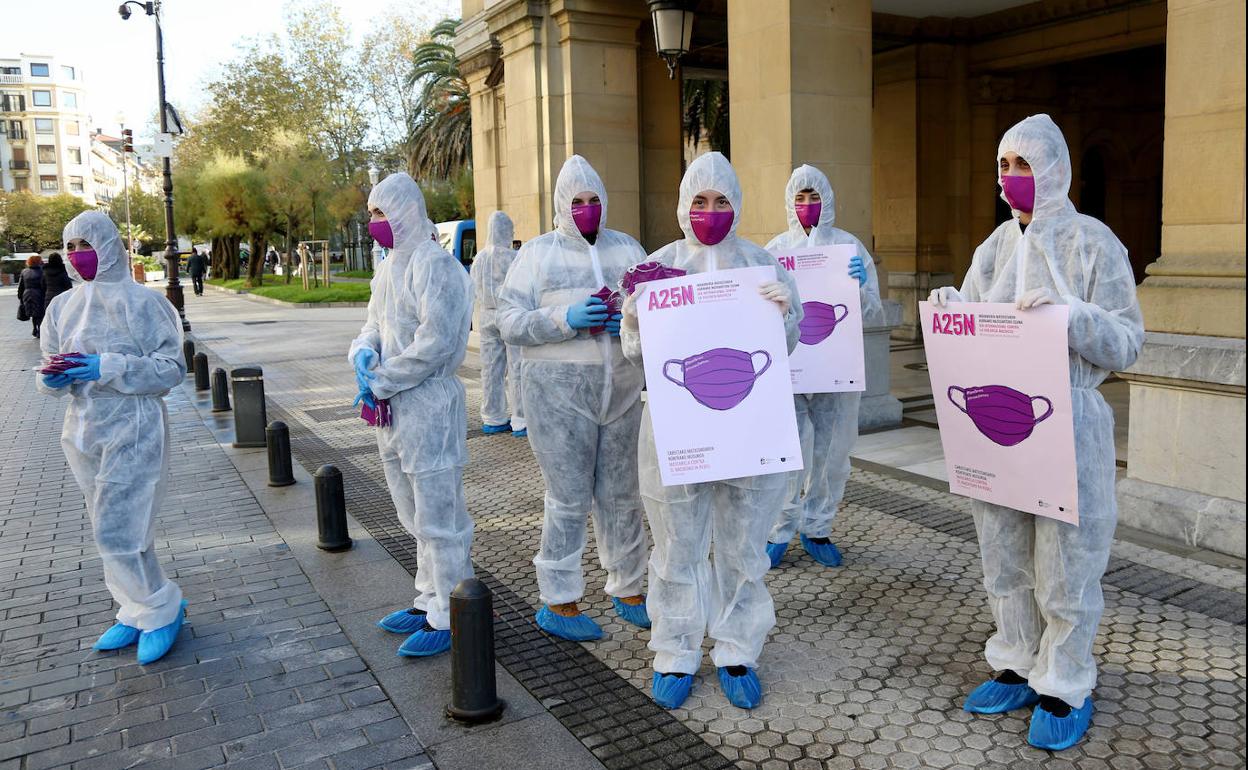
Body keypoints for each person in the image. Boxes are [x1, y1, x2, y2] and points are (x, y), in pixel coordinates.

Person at [928, 114, 1143, 751]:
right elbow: (975, 323)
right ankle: (1016, 660)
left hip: (1067, 423)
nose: (1011, 177)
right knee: (1002, 554)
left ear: (1054, 168)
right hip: (996, 427)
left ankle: (1064, 681)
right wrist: (952, 310)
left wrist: (1073, 315)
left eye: (1023, 164)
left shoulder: (1094, 243)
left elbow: (1128, 341)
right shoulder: (994, 248)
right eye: (1004, 165)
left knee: (1067, 561)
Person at [620, 152, 802, 711]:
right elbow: (635, 353)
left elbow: (786, 344)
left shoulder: (762, 265)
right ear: (683, 204)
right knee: (677, 544)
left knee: (743, 545)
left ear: (738, 205)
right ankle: (675, 650)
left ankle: (736, 650)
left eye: (721, 200)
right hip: (678, 431)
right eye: (699, 200)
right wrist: (635, 316)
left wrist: (785, 315)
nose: (710, 210)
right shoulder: (660, 267)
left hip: (747, 427)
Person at [497, 155, 651, 642]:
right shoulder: (537, 254)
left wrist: (632, 321)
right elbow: (509, 321)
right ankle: (559, 599)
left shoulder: (628, 248)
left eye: (594, 200)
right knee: (568, 497)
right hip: (558, 398)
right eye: (577, 201)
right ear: (562, 204)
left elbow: (654, 306)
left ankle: (628, 586)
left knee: (622, 494)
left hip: (622, 390)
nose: (587, 209)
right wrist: (566, 318)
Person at [37, 210, 188, 664]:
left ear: (108, 246)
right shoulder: (61, 307)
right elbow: (48, 362)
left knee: (119, 527)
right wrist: (52, 378)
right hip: (83, 429)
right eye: (70, 246)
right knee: (110, 525)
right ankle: (136, 608)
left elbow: (170, 369)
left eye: (86, 244)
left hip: (134, 426)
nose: (77, 254)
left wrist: (108, 366)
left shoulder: (145, 303)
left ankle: (161, 610)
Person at [350, 172, 475, 658]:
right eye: (371, 214)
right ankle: (428, 599)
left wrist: (381, 379)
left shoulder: (436, 266)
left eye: (381, 213)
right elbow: (372, 325)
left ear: (405, 212)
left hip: (428, 409)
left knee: (441, 518)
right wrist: (363, 352)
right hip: (392, 411)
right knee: (413, 515)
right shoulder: (387, 269)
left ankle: (452, 612)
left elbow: (436, 343)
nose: (375, 222)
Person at [764, 165, 883, 569]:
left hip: (835, 369)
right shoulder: (774, 250)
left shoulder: (849, 247)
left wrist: (860, 286)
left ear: (827, 200)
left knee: (833, 452)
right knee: (789, 452)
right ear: (789, 201)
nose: (807, 204)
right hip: (792, 369)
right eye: (800, 197)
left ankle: (817, 528)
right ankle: (778, 530)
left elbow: (873, 312)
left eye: (814, 196)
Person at [470, 211, 527, 437]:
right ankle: (521, 420)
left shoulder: (479, 258)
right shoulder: (513, 258)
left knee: (491, 369)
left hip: (486, 317)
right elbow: (521, 288)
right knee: (517, 367)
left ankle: (493, 418)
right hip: (509, 315)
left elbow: (473, 287)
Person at [17, 255, 45, 337]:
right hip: (39, 294)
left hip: (27, 294)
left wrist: (20, 296)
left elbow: (21, 286)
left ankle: (34, 328)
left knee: (33, 313)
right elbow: (44, 284)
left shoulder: (24, 271)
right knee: (40, 313)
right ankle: (39, 330)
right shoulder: (42, 271)